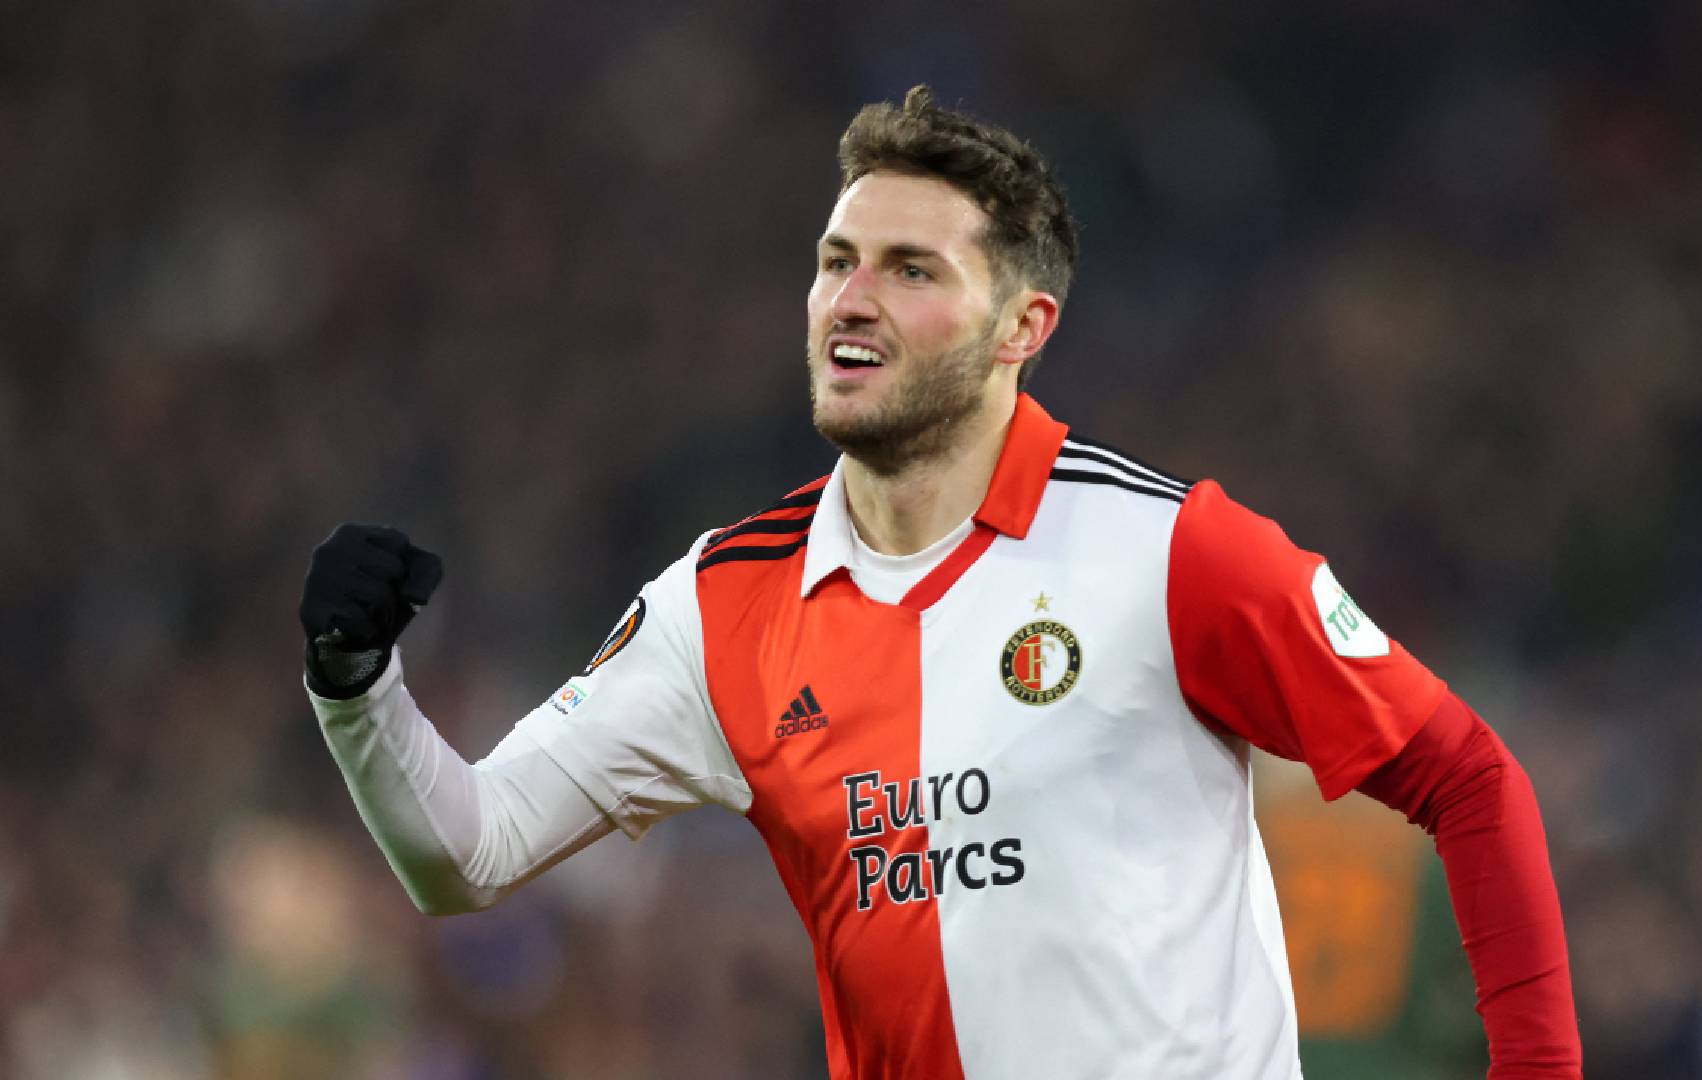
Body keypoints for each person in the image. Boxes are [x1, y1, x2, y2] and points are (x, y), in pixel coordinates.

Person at [299, 86, 1581, 1079]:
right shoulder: (723, 605)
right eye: (836, 259)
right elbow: (468, 851)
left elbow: (1469, 780)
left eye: (912, 270)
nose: (851, 299)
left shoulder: (1172, 553)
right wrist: (357, 686)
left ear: (1022, 327)